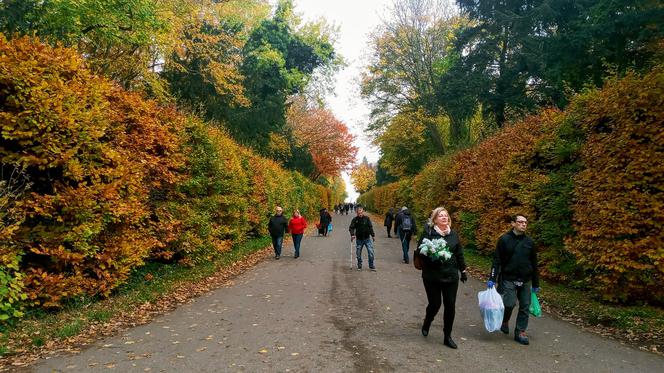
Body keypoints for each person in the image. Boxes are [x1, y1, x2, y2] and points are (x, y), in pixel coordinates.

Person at [415, 207, 467, 349]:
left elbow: (459, 253)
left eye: (446, 216)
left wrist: (463, 270)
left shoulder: (454, 234)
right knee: (435, 304)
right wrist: (432, 254)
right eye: (441, 216)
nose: (444, 218)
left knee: (450, 305)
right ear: (435, 219)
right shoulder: (429, 233)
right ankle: (427, 321)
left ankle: (447, 336)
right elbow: (420, 251)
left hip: (450, 276)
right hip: (432, 276)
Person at [487, 214, 540, 345]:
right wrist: (492, 278)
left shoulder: (529, 243)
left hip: (526, 279)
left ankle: (520, 332)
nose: (523, 224)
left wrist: (536, 283)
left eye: (525, 223)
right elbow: (496, 260)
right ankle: (505, 320)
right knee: (509, 304)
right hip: (509, 278)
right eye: (520, 222)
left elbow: (534, 263)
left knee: (525, 306)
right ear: (513, 223)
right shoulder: (504, 240)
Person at [349, 206, 376, 271]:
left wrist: (373, 235)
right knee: (358, 253)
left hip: (367, 239)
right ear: (357, 213)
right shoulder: (355, 219)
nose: (360, 214)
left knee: (371, 252)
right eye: (358, 213)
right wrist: (352, 234)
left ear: (363, 212)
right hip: (359, 239)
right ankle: (359, 265)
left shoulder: (367, 218)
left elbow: (370, 227)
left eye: (361, 212)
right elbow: (351, 228)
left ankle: (371, 265)